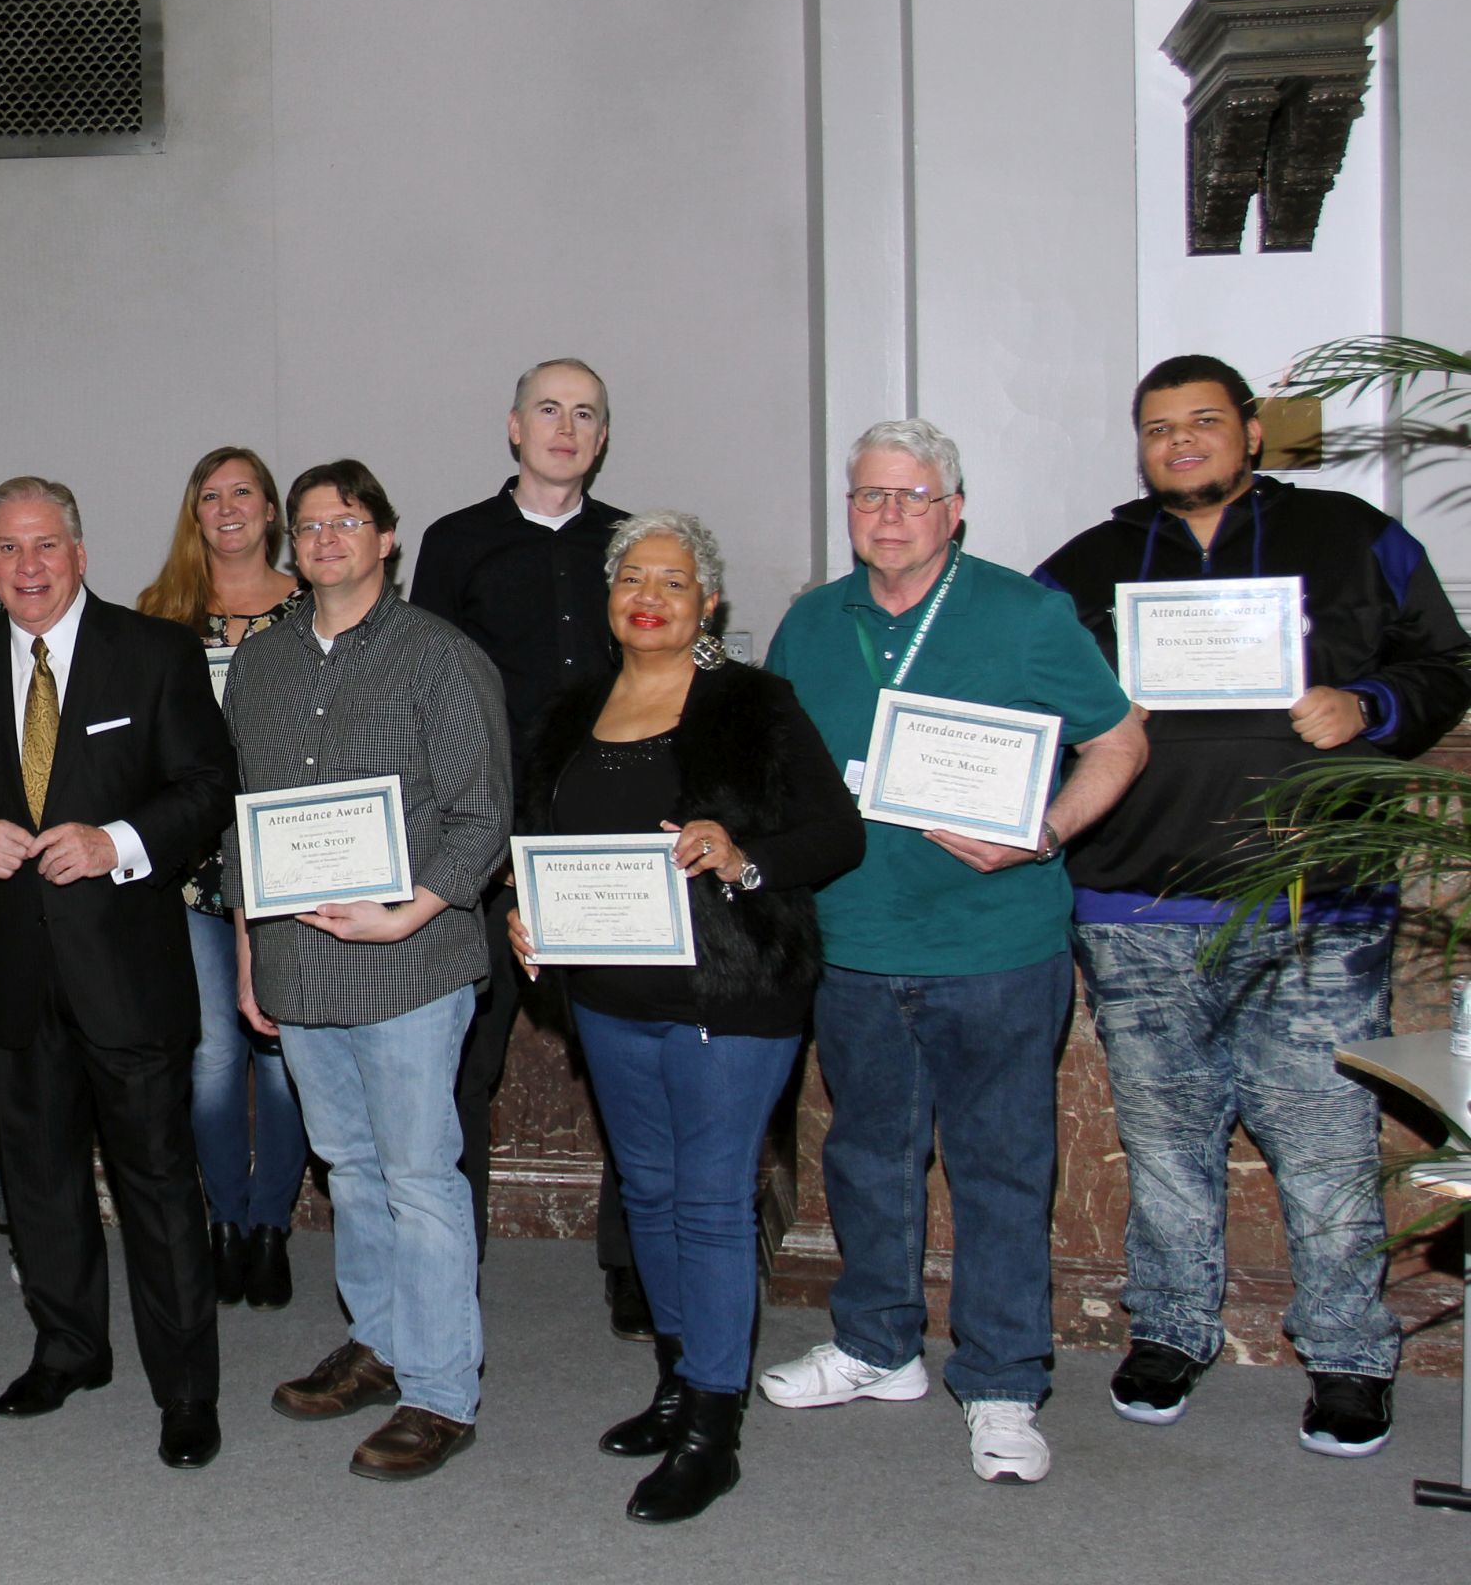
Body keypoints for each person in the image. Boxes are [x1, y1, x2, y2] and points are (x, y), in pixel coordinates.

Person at [1037, 354, 1471, 1459]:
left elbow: (1445, 662)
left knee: (1327, 1149)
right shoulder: (1084, 564)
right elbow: (1019, 694)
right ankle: (1174, 1330)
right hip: (1137, 908)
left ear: (1252, 432)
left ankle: (1347, 1351)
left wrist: (1366, 703)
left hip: (1316, 912)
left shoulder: (1352, 533)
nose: (1180, 441)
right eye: (1157, 426)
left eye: (1203, 421)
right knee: (1167, 1143)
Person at [757, 417, 1148, 1486]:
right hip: (856, 940)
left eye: (912, 495)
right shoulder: (808, 622)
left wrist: (1049, 829)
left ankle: (1005, 1381)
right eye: (868, 496)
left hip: (998, 943)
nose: (888, 515)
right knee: (867, 1153)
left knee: (1001, 1166)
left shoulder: (1025, 613)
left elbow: (1120, 740)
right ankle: (880, 1345)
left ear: (954, 508)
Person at [505, 511, 864, 1523]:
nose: (648, 593)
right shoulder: (570, 710)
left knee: (709, 1201)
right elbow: (537, 842)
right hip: (610, 996)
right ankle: (676, 1377)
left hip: (734, 994)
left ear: (707, 602)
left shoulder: (753, 703)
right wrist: (527, 920)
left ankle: (715, 1424)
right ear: (610, 599)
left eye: (672, 578)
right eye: (631, 577)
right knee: (652, 1196)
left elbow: (835, 831)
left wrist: (740, 850)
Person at [0, 477, 236, 1472]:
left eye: (45, 544)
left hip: (127, 972)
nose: (28, 565)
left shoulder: (156, 651)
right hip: (9, 972)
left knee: (158, 1184)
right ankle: (69, 1347)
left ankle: (186, 1389)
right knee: (39, 1180)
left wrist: (117, 840)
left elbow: (207, 787)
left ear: (80, 552)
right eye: (6, 548)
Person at [224, 460, 512, 1484]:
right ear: (290, 547)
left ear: (387, 537)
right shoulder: (258, 664)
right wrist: (253, 947)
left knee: (420, 1175)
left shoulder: (440, 656)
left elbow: (482, 812)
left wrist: (408, 913)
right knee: (347, 1167)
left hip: (411, 964)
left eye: (348, 520)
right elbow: (243, 819)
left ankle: (441, 1388)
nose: (327, 537)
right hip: (299, 962)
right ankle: (381, 1342)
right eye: (308, 525)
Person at [407, 357, 643, 1334]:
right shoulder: (455, 542)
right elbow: (425, 697)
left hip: (602, 843)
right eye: (548, 408)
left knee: (629, 1056)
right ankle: (447, 1262)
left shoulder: (635, 543)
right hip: (486, 848)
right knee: (464, 1062)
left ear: (600, 436)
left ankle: (638, 1266)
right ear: (513, 426)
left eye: (585, 412)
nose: (565, 425)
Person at [132, 445, 310, 1311]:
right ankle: (225, 1219)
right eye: (211, 495)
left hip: (293, 855)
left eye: (245, 492)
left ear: (272, 511)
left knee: (280, 1052)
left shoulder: (319, 608)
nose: (229, 507)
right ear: (192, 513)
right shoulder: (157, 619)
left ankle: (272, 1226)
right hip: (189, 864)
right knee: (208, 1059)